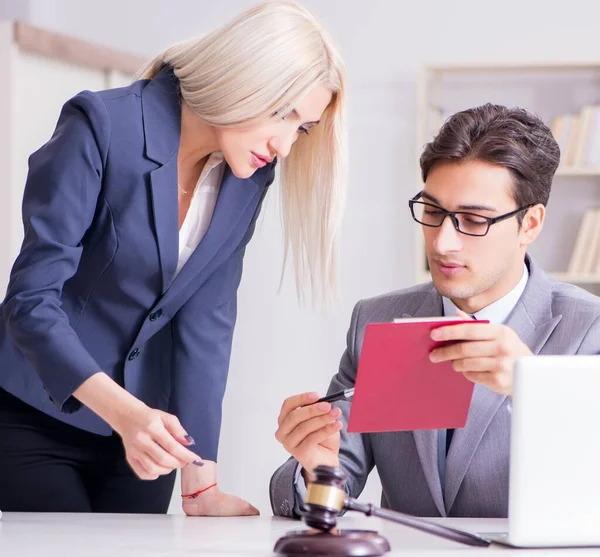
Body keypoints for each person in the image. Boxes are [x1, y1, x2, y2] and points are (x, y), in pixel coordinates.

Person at [0, 0, 346, 515]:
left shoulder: (248, 177)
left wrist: (201, 485)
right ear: (243, 77)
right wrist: (126, 415)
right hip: (35, 417)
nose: (287, 145)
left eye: (303, 128)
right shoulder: (100, 124)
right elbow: (30, 301)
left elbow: (207, 322)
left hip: (144, 443)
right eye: (285, 114)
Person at [270, 103, 600, 519]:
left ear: (530, 224)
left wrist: (536, 388)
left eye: (473, 220)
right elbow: (331, 489)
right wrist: (319, 471)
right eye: (433, 212)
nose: (443, 243)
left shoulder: (589, 329)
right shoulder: (376, 321)